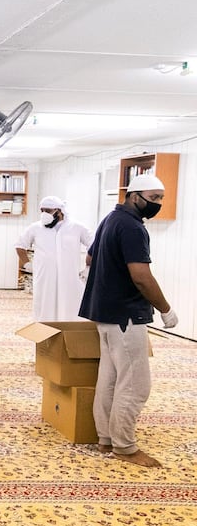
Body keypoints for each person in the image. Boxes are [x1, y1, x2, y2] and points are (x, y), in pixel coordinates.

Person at [79, 175, 178, 468]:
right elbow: (141, 276)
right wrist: (165, 309)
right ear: (134, 196)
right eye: (154, 197)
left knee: (109, 379)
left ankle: (106, 439)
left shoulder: (110, 219)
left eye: (161, 198)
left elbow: (89, 259)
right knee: (135, 384)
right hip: (125, 315)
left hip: (104, 312)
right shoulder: (132, 228)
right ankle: (125, 447)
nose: (157, 203)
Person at [15, 195, 93, 321]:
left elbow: (94, 245)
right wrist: (27, 265)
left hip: (69, 277)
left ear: (59, 211)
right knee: (44, 309)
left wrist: (88, 267)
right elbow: (20, 246)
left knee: (70, 309)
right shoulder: (35, 227)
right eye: (42, 211)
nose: (44, 214)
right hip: (45, 276)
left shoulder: (77, 227)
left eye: (48, 210)